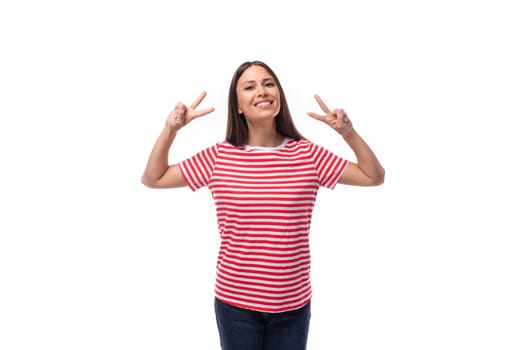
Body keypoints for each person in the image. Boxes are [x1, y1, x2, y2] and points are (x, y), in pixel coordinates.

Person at [141, 60, 385, 350]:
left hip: (292, 305)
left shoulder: (307, 154)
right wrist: (171, 130)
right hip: (235, 304)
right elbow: (153, 178)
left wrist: (348, 133)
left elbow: (374, 176)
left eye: (269, 84)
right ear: (239, 106)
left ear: (279, 97)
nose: (262, 91)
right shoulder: (219, 157)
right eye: (250, 86)